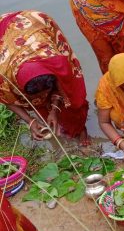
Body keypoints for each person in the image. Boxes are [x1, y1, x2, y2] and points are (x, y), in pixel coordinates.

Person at [0, 10, 90, 145]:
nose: (44, 95)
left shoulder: (56, 61)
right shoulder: (4, 78)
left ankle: (80, 129)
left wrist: (54, 110)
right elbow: (8, 100)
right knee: (39, 105)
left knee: (72, 96)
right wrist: (30, 121)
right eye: (38, 94)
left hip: (36, 23)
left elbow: (63, 83)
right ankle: (60, 127)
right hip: (7, 39)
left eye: (46, 90)